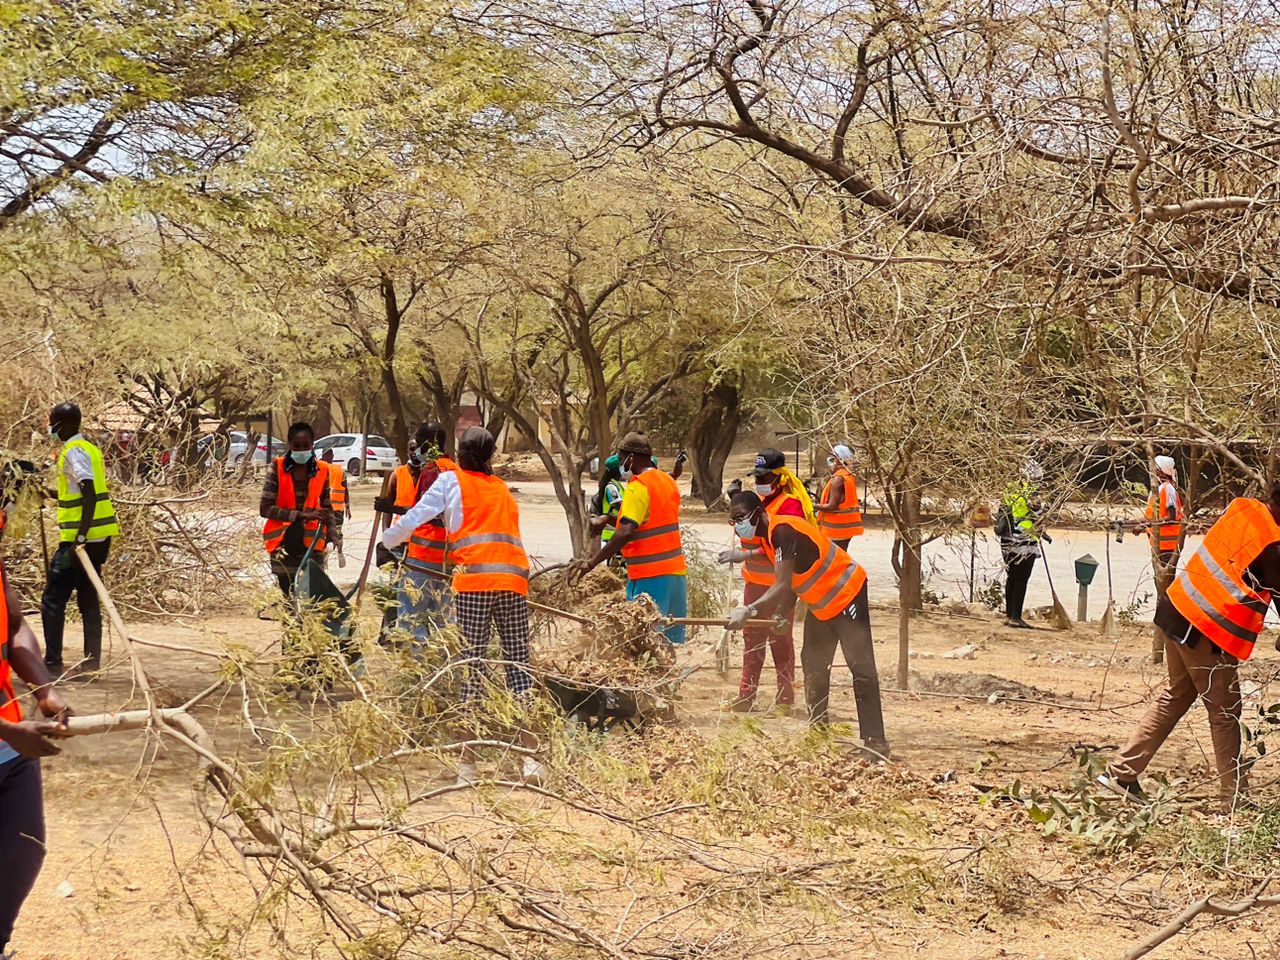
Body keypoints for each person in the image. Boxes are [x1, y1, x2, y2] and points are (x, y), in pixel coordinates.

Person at [1099, 489, 1280, 811]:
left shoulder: (1244, 508)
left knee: (1177, 695)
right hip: (1205, 628)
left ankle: (1122, 772)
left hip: (1176, 608)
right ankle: (1234, 799)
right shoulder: (1273, 547)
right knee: (1225, 712)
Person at [383, 427, 544, 784]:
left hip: (474, 584)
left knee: (470, 668)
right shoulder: (500, 488)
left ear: (461, 453)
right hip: (514, 581)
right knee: (518, 666)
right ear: (488, 457)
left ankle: (468, 765)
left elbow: (415, 517)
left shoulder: (450, 482)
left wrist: (388, 539)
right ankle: (531, 759)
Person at [724, 491, 889, 757]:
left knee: (861, 668)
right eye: (733, 520)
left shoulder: (783, 530)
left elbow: (781, 584)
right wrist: (781, 612)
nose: (738, 525)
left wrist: (749, 609)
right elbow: (793, 579)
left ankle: (876, 744)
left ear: (758, 513)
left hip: (847, 594)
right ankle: (818, 733)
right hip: (822, 605)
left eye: (741, 518)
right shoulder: (768, 539)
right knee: (813, 661)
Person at [0, 500, 73, 957]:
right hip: (7, 735)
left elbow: (14, 628)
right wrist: (6, 731)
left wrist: (44, 689)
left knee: (22, 850)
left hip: (8, 746)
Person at [715, 448, 810, 714]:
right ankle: (746, 697)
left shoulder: (790, 506)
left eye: (764, 478)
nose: (759, 483)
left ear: (779, 478)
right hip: (753, 583)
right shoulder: (759, 504)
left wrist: (743, 554)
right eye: (757, 479)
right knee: (751, 640)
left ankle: (785, 700)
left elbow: (784, 549)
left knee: (780, 641)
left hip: (779, 588)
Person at [574, 433, 688, 645]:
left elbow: (626, 532)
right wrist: (608, 518)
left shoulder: (638, 486)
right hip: (676, 574)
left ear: (631, 459)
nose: (621, 465)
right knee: (672, 644)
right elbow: (648, 521)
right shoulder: (667, 482)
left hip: (649, 576)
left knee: (645, 642)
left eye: (621, 458)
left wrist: (591, 564)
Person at [42, 402, 120, 678]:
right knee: (87, 597)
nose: (50, 429)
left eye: (52, 423)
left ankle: (51, 664)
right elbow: (79, 493)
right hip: (98, 536)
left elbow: (87, 492)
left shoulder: (74, 451)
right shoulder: (89, 448)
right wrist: (48, 494)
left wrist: (80, 538)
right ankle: (91, 662)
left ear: (60, 424)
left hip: (81, 540)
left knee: (53, 599)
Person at [259, 422, 341, 596]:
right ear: (290, 444)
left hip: (312, 543)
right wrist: (302, 515)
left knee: (312, 593)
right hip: (283, 541)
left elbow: (327, 507)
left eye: (306, 446)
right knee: (289, 593)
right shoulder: (278, 467)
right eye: (297, 446)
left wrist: (333, 533)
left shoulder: (322, 469)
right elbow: (265, 508)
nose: (301, 450)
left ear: (312, 445)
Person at [398, 422, 456, 642]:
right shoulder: (455, 469)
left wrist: (396, 512)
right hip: (449, 557)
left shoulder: (433, 471)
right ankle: (445, 668)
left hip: (425, 554)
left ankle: (417, 671)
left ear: (425, 444)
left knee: (412, 617)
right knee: (444, 618)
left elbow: (427, 513)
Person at [995, 460, 1045, 629]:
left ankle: (1009, 615)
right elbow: (1038, 516)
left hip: (1007, 540)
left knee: (1012, 577)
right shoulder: (1032, 493)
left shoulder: (1010, 490)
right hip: (1024, 541)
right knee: (1022, 579)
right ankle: (1016, 616)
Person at [1128, 455, 1183, 598]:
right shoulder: (1157, 491)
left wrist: (1146, 524)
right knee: (1160, 581)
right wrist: (1128, 523)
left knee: (1165, 582)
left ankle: (1169, 613)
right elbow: (1150, 518)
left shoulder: (1168, 489)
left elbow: (1171, 517)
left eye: (1155, 469)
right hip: (1158, 544)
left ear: (1161, 471)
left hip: (1168, 544)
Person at [814, 444, 864, 549]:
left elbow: (832, 506)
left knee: (834, 561)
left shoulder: (838, 479)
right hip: (846, 529)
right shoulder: (847, 475)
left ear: (839, 460)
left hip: (835, 530)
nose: (830, 461)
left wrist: (811, 505)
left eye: (833, 458)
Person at [321, 448, 352, 528]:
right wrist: (347, 506)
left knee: (322, 534)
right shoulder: (340, 471)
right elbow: (345, 489)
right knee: (337, 533)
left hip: (322, 509)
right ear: (332, 456)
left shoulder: (319, 469)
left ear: (322, 456)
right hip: (337, 509)